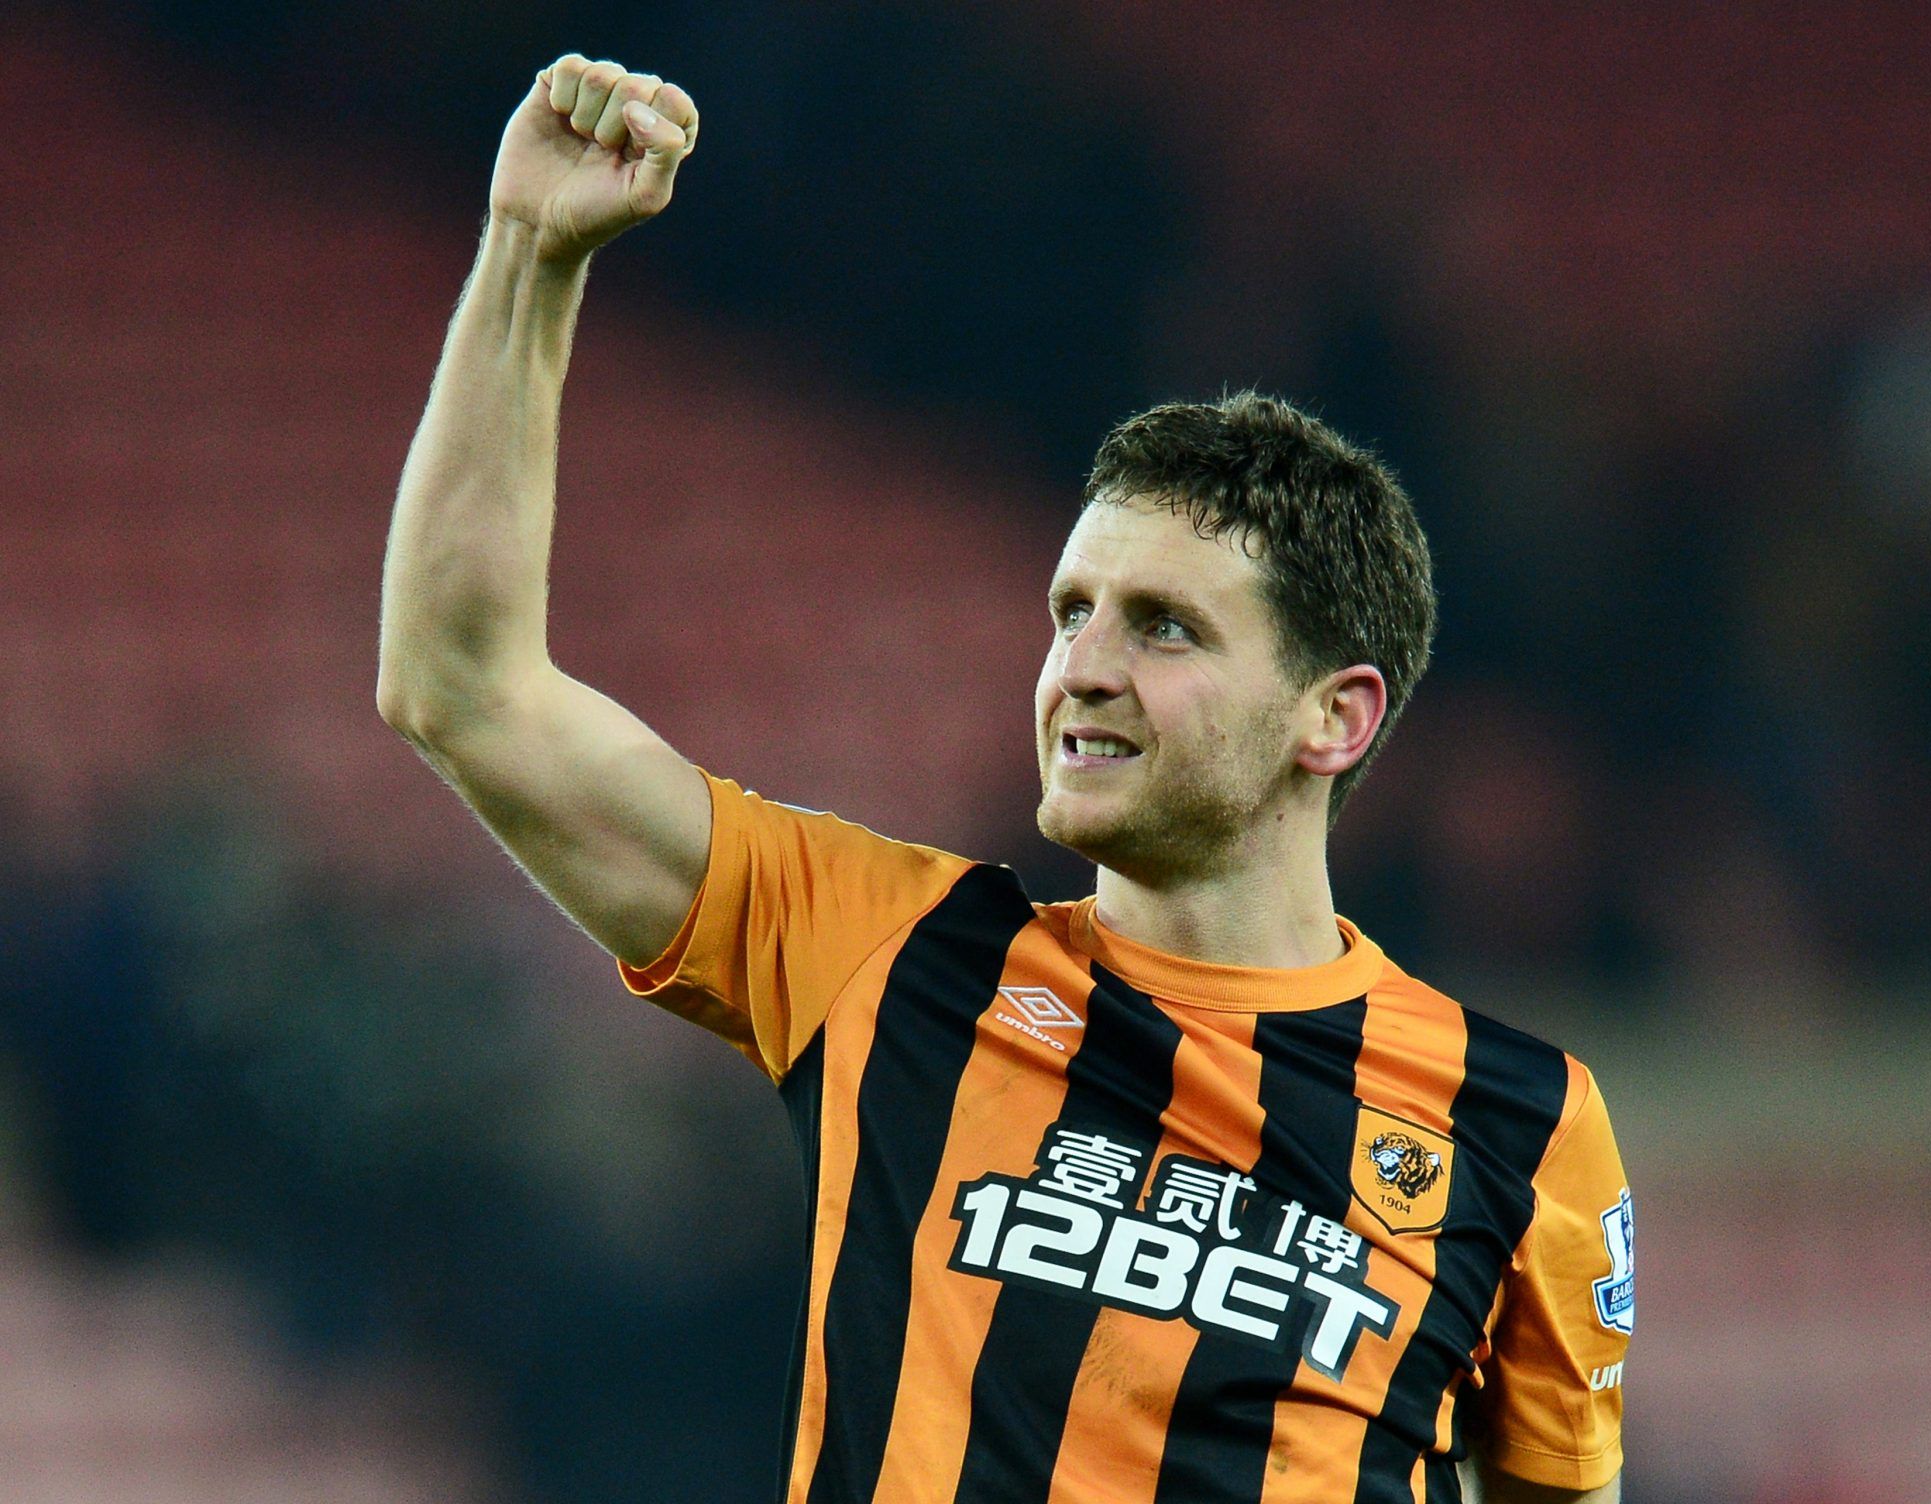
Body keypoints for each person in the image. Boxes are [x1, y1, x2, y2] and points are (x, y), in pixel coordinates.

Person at [377, 53, 1632, 1504]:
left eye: (1163, 627)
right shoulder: (897, 959)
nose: (1081, 667)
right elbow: (462, 690)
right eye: (1069, 613)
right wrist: (530, 252)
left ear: (1334, 718)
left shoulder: (1519, 1126)